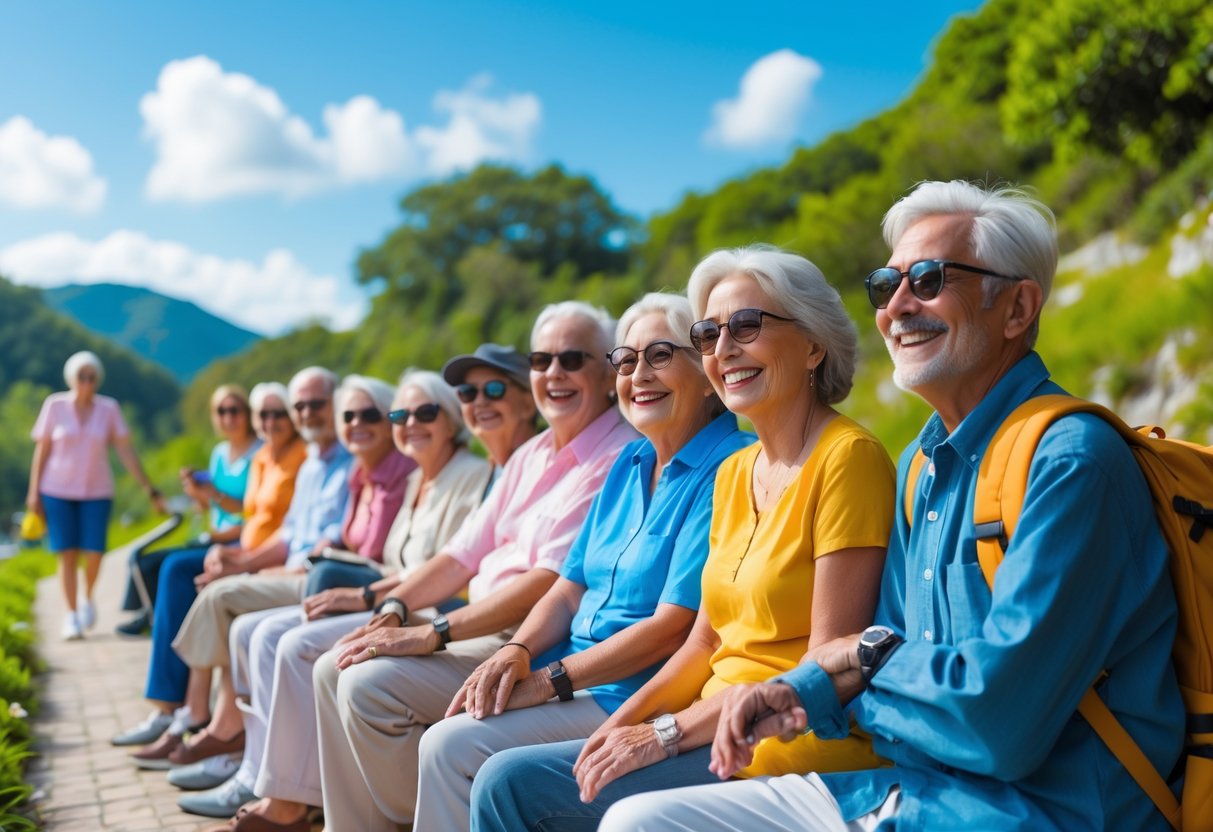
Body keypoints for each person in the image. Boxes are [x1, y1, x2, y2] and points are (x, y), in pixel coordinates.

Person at [590, 182, 1186, 832]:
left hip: (1040, 812)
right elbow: (868, 650)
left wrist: (856, 672)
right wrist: (805, 687)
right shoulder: (918, 467)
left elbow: (993, 723)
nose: (896, 307)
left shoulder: (1070, 463)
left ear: (1016, 309)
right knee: (640, 822)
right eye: (885, 285)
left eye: (928, 280)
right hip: (913, 789)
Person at [469, 246, 895, 831]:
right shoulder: (735, 473)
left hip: (784, 751)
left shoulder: (848, 459)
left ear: (814, 345)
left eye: (747, 326)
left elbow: (825, 665)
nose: (724, 350)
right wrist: (618, 730)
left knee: (589, 806)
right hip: (705, 729)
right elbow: (702, 645)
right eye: (709, 333)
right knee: (505, 781)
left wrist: (663, 734)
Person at [413, 292, 754, 830]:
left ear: (707, 369)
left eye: (660, 355)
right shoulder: (630, 458)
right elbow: (568, 587)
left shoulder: (728, 464)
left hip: (631, 691)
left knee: (452, 746)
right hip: (574, 671)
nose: (638, 374)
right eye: (625, 360)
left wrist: (549, 680)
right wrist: (517, 651)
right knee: (453, 729)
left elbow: (673, 626)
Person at [312, 301, 639, 832]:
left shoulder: (617, 456)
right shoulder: (532, 453)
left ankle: (430, 816)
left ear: (607, 374)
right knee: (339, 663)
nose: (553, 372)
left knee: (365, 686)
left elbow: (550, 584)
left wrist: (433, 632)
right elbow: (461, 554)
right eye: (541, 359)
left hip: (528, 639)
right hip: (486, 625)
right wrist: (395, 606)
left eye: (572, 359)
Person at [178, 364, 516, 822]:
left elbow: (448, 571)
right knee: (265, 633)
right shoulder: (418, 478)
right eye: (400, 416)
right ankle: (269, 776)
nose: (409, 424)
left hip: (432, 611)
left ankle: (292, 795)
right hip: (400, 603)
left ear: (451, 419)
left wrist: (371, 599)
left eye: (424, 412)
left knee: (302, 648)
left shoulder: (469, 475)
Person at [165, 375, 413, 772]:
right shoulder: (317, 464)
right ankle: (222, 730)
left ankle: (216, 725)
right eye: (298, 407)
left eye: (315, 405)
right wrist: (244, 561)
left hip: (327, 578)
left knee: (225, 601)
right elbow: (289, 531)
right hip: (314, 572)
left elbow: (333, 546)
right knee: (201, 585)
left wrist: (260, 567)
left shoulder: (355, 460)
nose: (305, 414)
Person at [113, 368, 346, 763]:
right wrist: (232, 552)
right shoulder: (275, 461)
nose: (271, 421)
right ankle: (180, 709)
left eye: (279, 413)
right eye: (265, 414)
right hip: (261, 553)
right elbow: (277, 528)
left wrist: (240, 558)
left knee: (199, 584)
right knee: (170, 570)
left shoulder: (298, 460)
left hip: (294, 566)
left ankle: (197, 716)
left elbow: (272, 527)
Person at [28, 350, 166, 640]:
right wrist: (34, 492)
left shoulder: (109, 409)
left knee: (95, 552)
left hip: (97, 490)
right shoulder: (54, 406)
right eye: (82, 376)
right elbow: (42, 451)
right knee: (66, 553)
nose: (87, 382)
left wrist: (148, 487)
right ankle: (71, 615)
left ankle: (87, 596)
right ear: (72, 378)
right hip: (56, 489)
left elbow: (126, 451)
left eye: (92, 377)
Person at [117, 384, 261, 636]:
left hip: (239, 538)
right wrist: (197, 494)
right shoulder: (219, 453)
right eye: (221, 411)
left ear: (247, 413)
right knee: (143, 560)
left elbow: (251, 509)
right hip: (216, 535)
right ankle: (155, 617)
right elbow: (209, 505)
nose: (228, 417)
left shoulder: (259, 454)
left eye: (234, 410)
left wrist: (213, 495)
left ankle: (165, 624)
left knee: (167, 565)